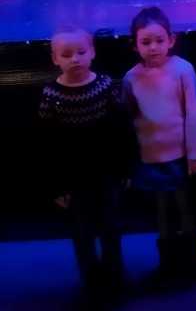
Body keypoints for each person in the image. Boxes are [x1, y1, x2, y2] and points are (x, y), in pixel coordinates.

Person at [38, 26, 137, 305]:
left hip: (107, 173)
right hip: (74, 178)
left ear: (92, 52)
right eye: (66, 54)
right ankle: (91, 282)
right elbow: (47, 145)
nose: (75, 59)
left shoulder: (106, 86)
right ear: (55, 58)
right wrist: (56, 186)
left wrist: (125, 168)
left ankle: (115, 278)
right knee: (82, 232)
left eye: (81, 52)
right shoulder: (51, 94)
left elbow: (122, 131)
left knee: (111, 227)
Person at [123, 7, 196, 277]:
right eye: (145, 42)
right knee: (161, 209)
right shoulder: (131, 78)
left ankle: (193, 263)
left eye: (159, 40)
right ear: (134, 45)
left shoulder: (183, 69)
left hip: (179, 156)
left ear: (171, 40)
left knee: (185, 206)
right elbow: (129, 119)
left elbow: (194, 112)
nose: (153, 47)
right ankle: (168, 264)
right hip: (150, 157)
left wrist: (195, 152)